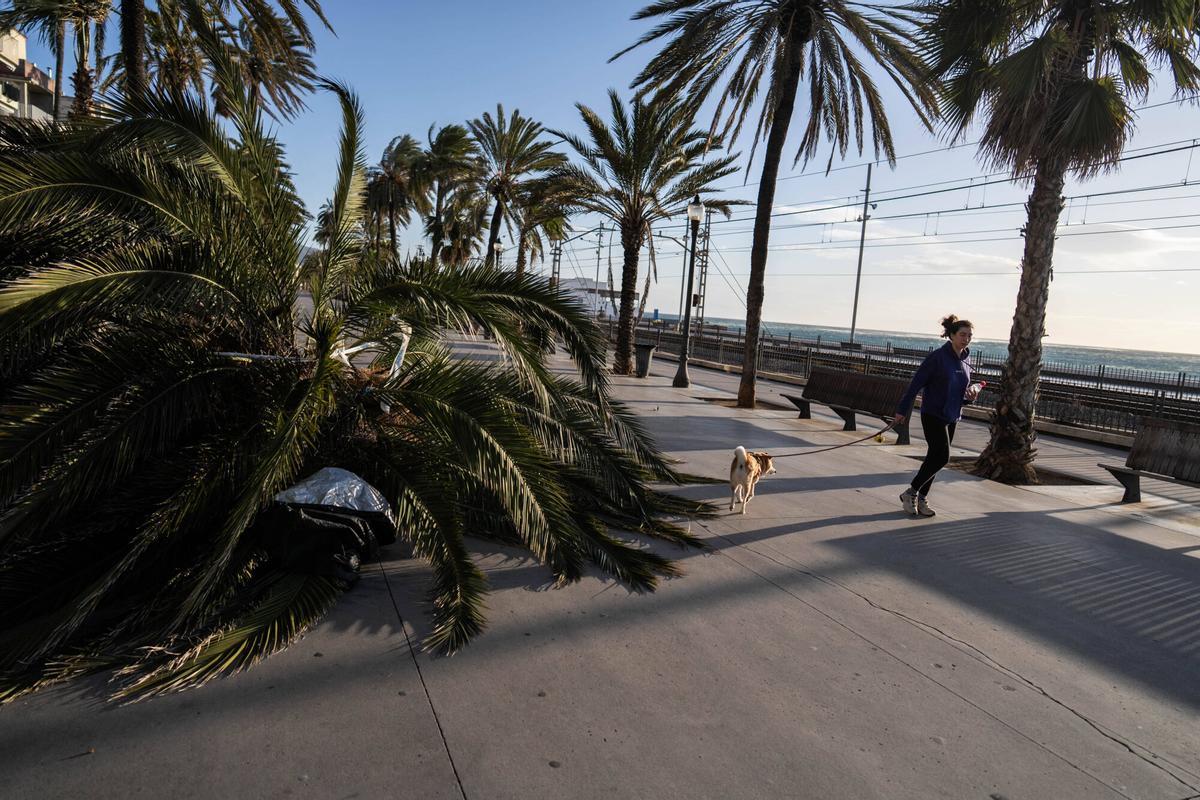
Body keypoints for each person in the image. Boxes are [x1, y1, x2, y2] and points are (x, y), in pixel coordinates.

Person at [893, 315, 983, 517]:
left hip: (952, 415)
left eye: (969, 335)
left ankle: (921, 498)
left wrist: (971, 396)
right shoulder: (937, 358)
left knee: (934, 458)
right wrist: (902, 410)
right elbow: (916, 385)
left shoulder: (966, 359)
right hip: (933, 413)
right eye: (962, 334)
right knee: (942, 457)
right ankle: (911, 492)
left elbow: (960, 391)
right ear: (951, 335)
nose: (966, 339)